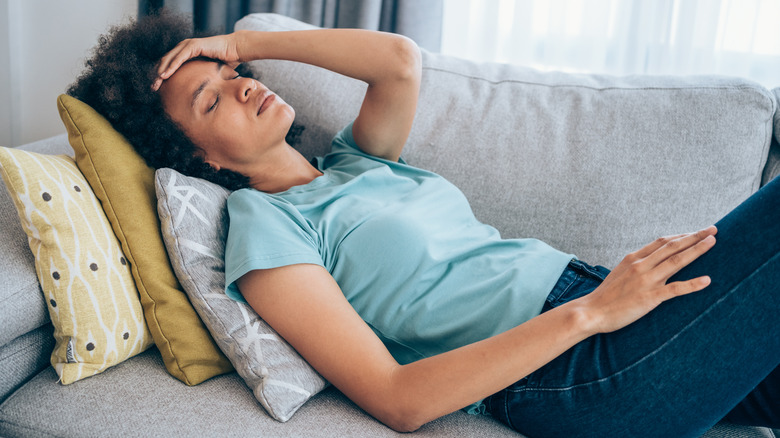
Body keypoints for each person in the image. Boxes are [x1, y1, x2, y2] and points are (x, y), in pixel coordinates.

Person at [69, 12, 778, 438]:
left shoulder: (351, 164)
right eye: (211, 98)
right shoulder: (266, 230)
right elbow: (396, 398)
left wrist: (241, 41)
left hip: (610, 309)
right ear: (199, 155)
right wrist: (592, 313)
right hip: (575, 369)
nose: (243, 83)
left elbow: (399, 63)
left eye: (232, 71)